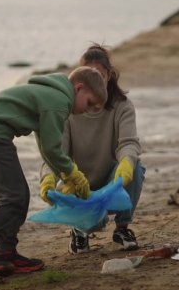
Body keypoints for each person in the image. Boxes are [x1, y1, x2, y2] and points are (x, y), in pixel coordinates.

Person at [0, 67, 107, 276]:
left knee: (18, 195)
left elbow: (46, 147)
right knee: (12, 195)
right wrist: (73, 174)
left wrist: (63, 175)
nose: (88, 110)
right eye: (89, 103)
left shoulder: (53, 95)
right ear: (79, 88)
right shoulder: (59, 103)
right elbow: (52, 149)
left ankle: (5, 251)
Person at [40, 44, 145, 254]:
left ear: (109, 75)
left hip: (111, 179)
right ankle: (79, 231)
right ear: (79, 79)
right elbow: (54, 151)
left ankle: (122, 228)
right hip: (77, 181)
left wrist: (126, 163)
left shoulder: (122, 105)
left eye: (101, 74)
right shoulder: (67, 110)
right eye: (90, 73)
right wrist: (47, 178)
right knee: (86, 216)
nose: (96, 78)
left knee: (135, 166)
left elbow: (128, 144)